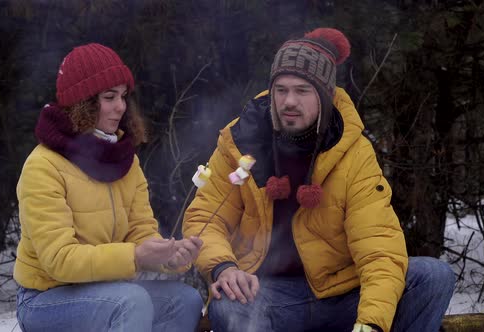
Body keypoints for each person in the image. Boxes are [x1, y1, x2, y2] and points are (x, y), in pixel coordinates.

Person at [182, 28, 455, 332]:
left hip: (343, 292)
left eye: (302, 91)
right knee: (229, 303)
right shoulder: (240, 141)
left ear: (325, 95)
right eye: (281, 90)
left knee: (432, 275)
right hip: (269, 295)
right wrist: (224, 267)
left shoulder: (353, 152)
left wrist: (371, 324)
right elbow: (206, 217)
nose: (289, 101)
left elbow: (379, 247)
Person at [13, 43, 204, 332]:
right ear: (82, 102)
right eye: (109, 97)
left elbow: (140, 232)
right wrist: (135, 257)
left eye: (124, 96)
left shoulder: (125, 160)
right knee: (131, 301)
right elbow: (59, 260)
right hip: (45, 299)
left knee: (186, 300)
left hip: (111, 292)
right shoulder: (44, 166)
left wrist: (169, 255)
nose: (121, 106)